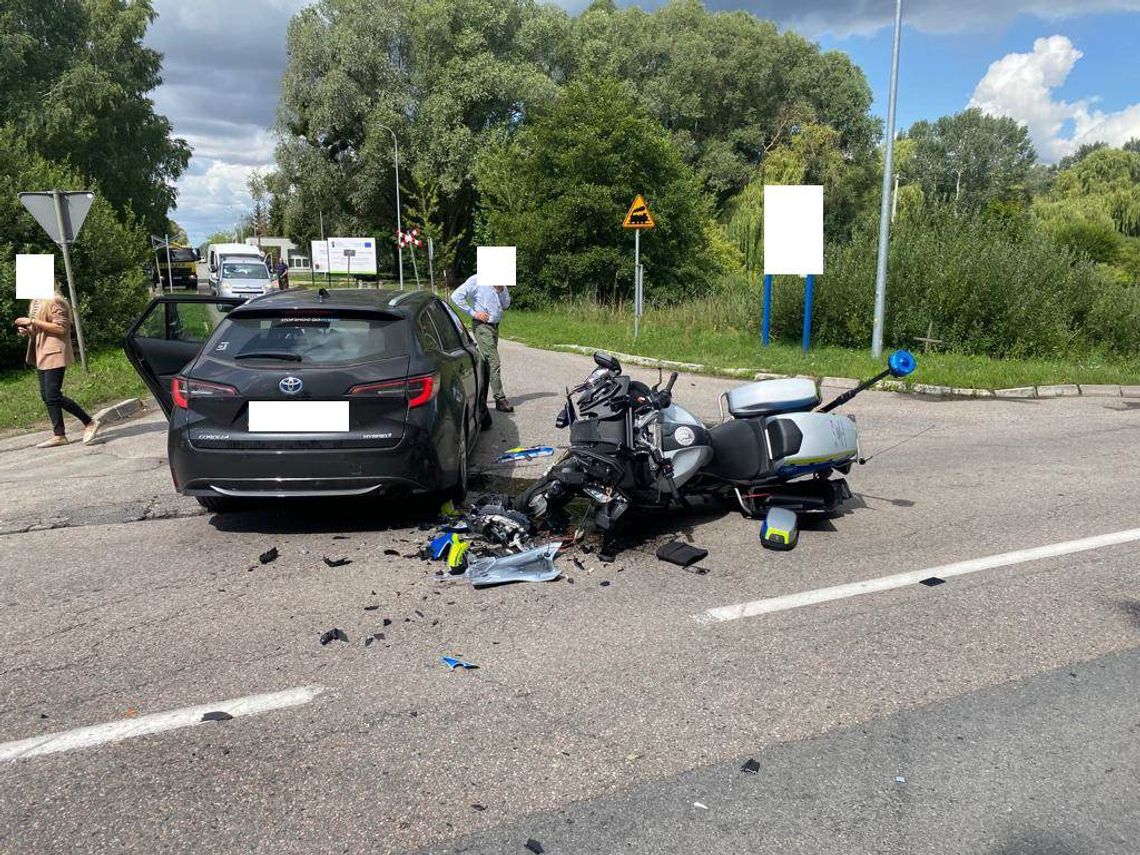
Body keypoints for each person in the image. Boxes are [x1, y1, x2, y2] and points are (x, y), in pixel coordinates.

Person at [14, 291, 100, 448]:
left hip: (55, 353)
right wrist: (28, 330)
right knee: (46, 396)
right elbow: (40, 329)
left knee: (53, 396)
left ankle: (89, 422)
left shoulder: (55, 300)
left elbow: (61, 328)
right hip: (42, 354)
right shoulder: (36, 301)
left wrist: (32, 321)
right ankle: (59, 435)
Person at [451, 273, 513, 412]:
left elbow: (506, 304)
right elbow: (456, 296)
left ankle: (480, 401)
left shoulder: (500, 283)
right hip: (482, 326)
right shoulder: (476, 280)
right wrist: (473, 312)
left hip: (495, 327)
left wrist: (500, 289)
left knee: (486, 364)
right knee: (494, 361)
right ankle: (500, 399)